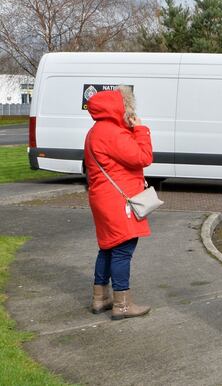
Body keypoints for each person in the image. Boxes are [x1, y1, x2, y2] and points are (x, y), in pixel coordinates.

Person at [84, 87, 152, 320]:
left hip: (103, 197)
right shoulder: (112, 132)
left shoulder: (96, 131)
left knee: (108, 247)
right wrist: (140, 129)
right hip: (119, 201)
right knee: (123, 249)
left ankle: (100, 297)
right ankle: (122, 304)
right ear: (118, 107)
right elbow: (143, 157)